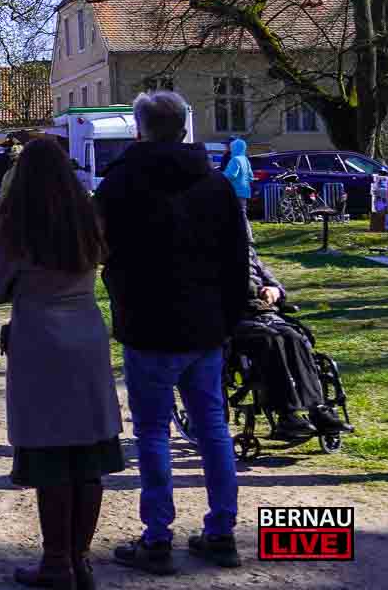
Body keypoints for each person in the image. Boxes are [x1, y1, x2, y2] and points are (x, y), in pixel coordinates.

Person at [98, 91, 250, 573]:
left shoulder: (120, 183)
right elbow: (236, 259)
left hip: (147, 323)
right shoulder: (215, 184)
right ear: (185, 126)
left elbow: (102, 250)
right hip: (205, 324)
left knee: (152, 432)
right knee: (212, 428)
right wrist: (231, 318)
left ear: (139, 130)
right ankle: (221, 530)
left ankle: (157, 537)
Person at [0, 138, 121, 590]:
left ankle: (57, 560)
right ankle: (80, 559)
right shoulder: (88, 217)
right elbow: (103, 258)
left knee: (51, 454)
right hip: (85, 335)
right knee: (88, 453)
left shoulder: (16, 227)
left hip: (39, 340)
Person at [238, 239, 351, 440]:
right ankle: (287, 415)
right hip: (233, 320)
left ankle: (317, 408)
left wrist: (275, 291)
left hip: (266, 315)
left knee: (294, 337)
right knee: (271, 340)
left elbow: (278, 287)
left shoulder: (250, 255)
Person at [223, 137, 253, 231]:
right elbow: (251, 177)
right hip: (244, 191)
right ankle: (246, 236)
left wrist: (219, 176)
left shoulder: (235, 160)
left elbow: (231, 175)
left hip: (234, 191)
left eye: (231, 147)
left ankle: (245, 237)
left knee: (235, 215)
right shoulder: (245, 159)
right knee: (242, 214)